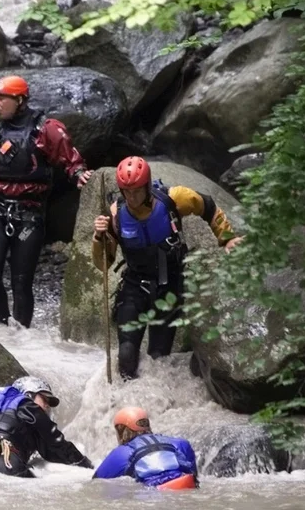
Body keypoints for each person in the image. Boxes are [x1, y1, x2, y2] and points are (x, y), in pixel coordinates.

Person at [0, 76, 93, 328]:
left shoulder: (48, 129)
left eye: (1, 98)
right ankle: (4, 328)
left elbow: (71, 160)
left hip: (29, 214)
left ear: (20, 100)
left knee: (21, 281)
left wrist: (79, 175)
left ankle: (22, 333)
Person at [92, 156, 242, 379]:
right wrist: (98, 237)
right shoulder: (116, 215)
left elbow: (208, 207)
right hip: (134, 286)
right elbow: (103, 264)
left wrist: (227, 238)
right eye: (127, 191)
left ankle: (154, 407)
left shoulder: (174, 199)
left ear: (146, 186)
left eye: (137, 191)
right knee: (125, 355)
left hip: (169, 285)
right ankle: (125, 403)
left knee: (159, 357)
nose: (132, 197)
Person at [93, 407, 199, 490]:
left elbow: (96, 483)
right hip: (186, 485)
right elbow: (193, 472)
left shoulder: (121, 454)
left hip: (154, 493)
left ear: (122, 431)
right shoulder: (179, 443)